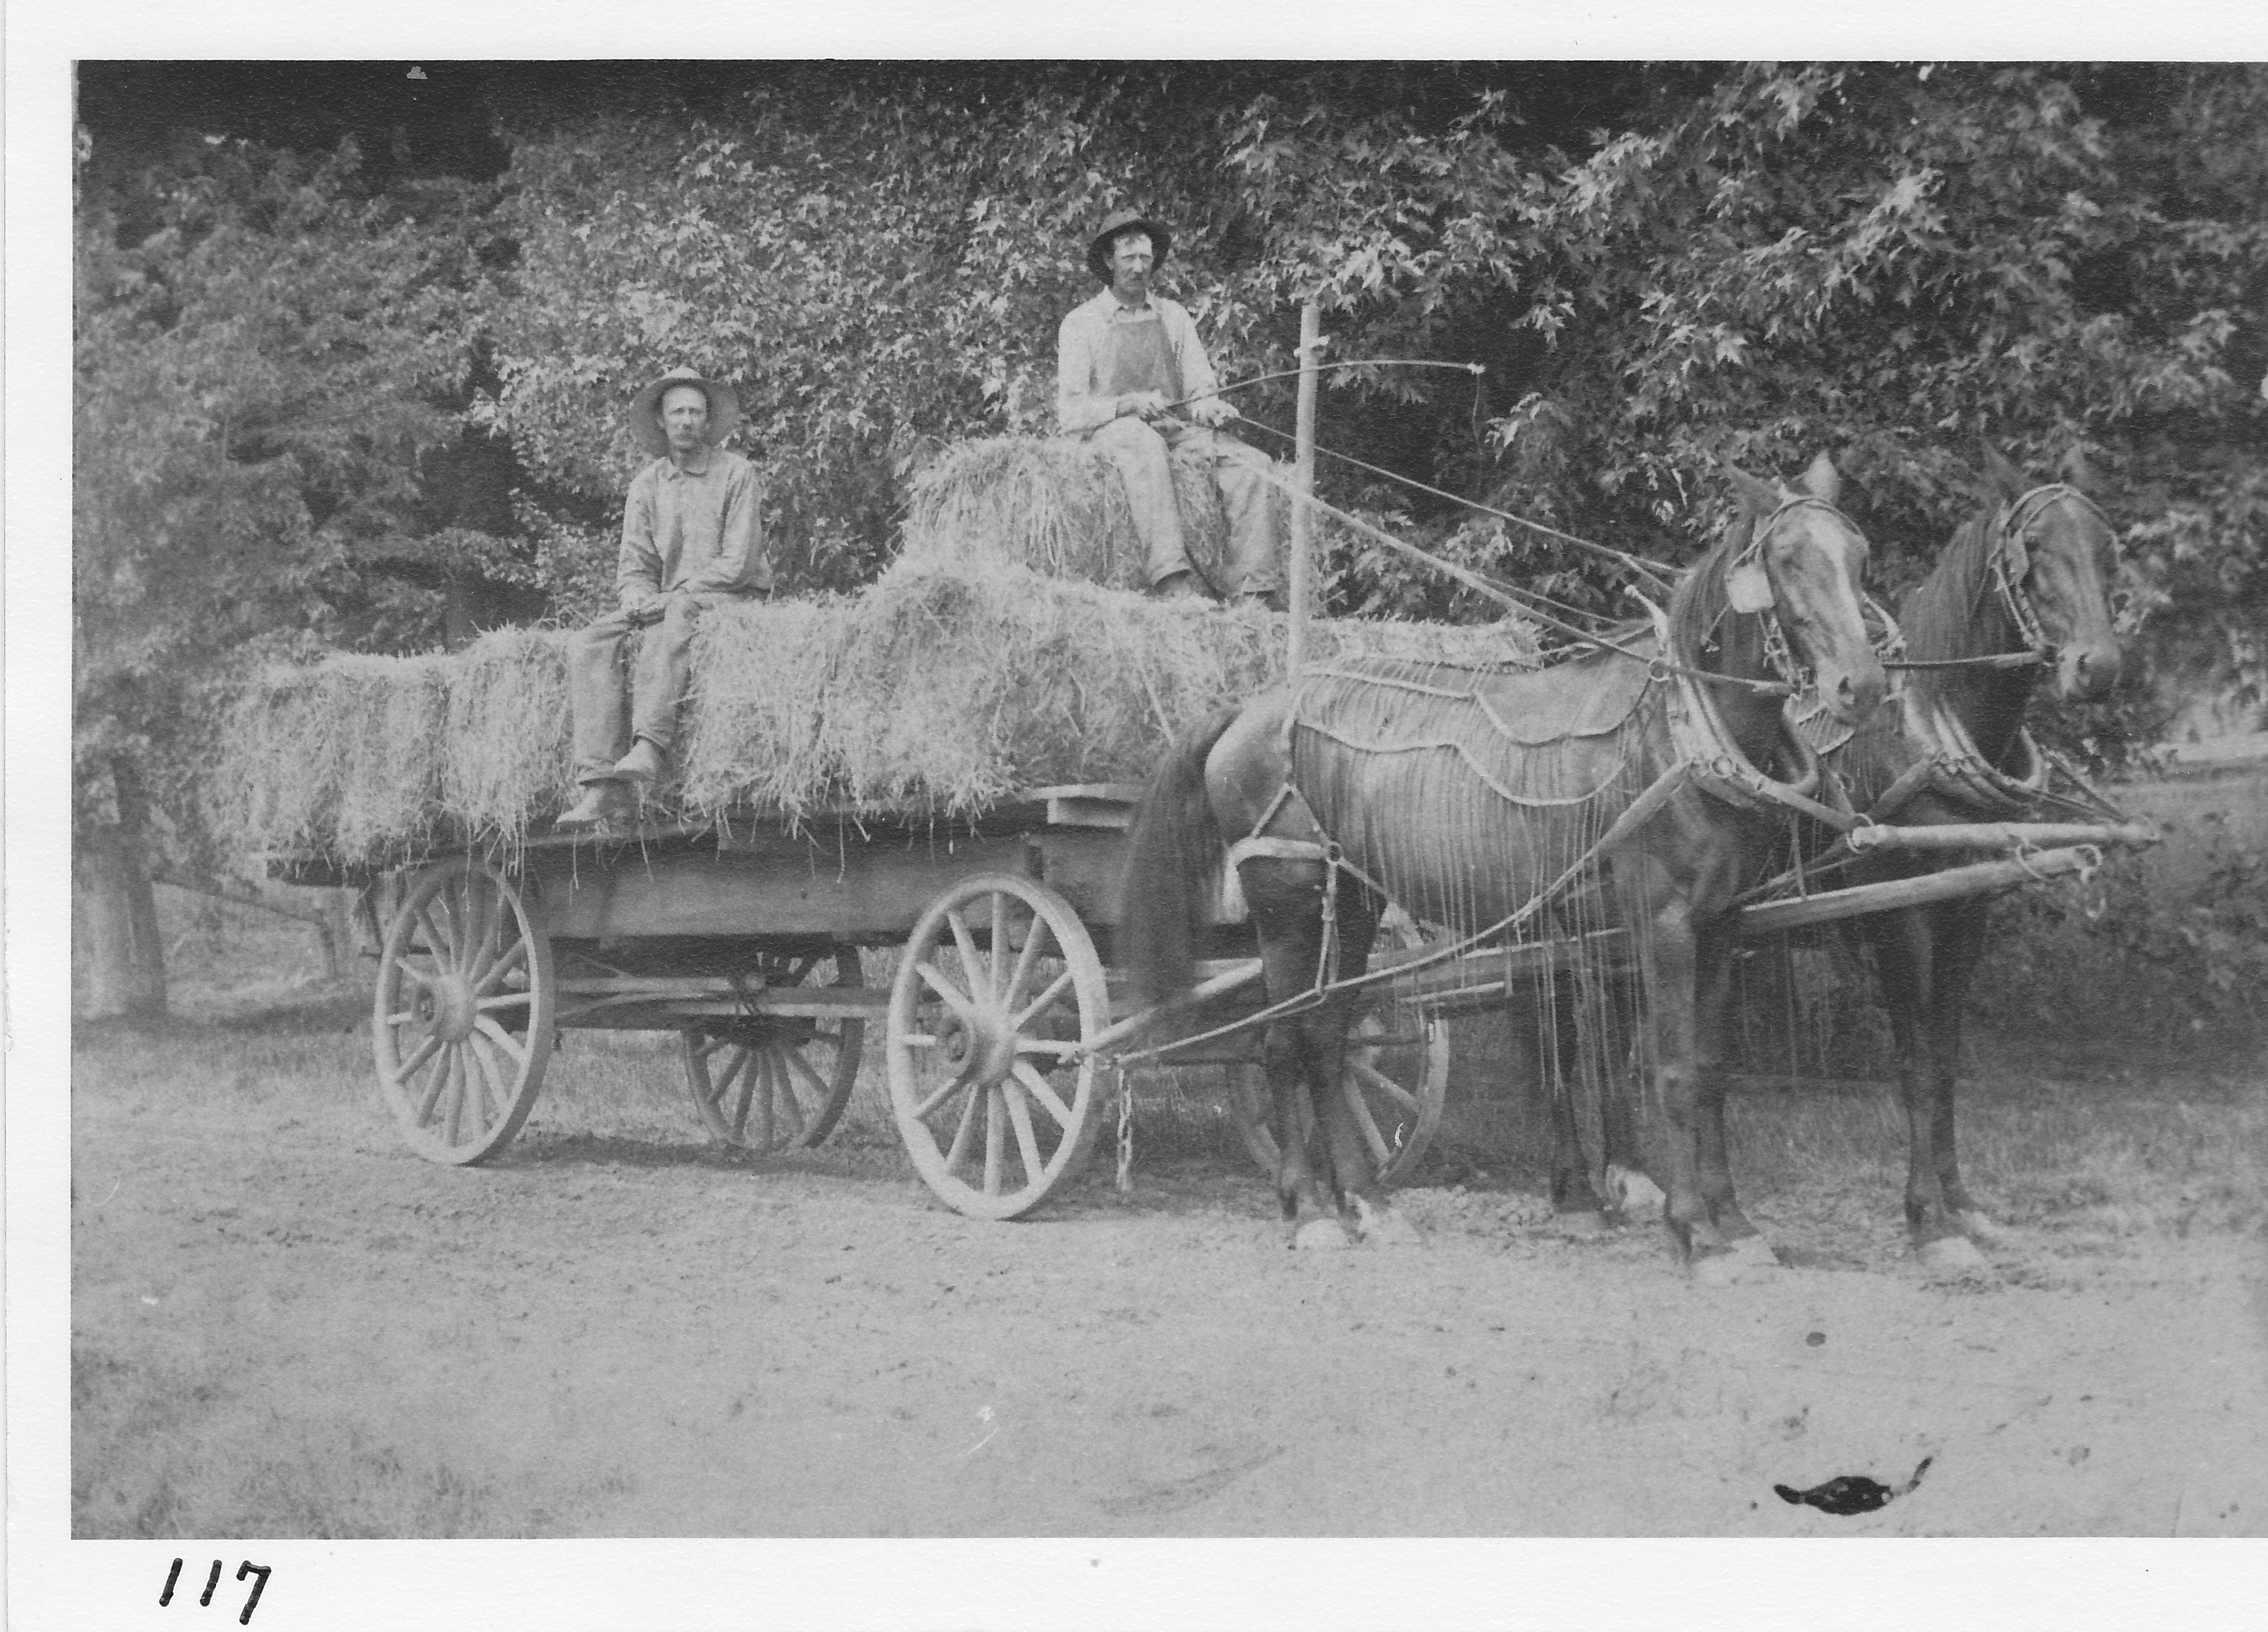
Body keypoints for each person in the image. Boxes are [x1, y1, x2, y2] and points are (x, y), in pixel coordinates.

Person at [555, 367, 771, 828]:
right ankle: (599, 784)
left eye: (696, 411)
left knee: (677, 610)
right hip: (671, 601)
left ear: (709, 422)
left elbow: (737, 563)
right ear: (661, 421)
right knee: (589, 640)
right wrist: (636, 598)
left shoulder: (737, 474)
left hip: (730, 600)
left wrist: (671, 595)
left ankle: (649, 745)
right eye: (678, 412)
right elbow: (634, 566)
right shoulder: (646, 486)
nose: (687, 420)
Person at [1057, 209, 1285, 608]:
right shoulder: (1082, 324)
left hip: (1174, 429)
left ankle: (1253, 592)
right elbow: (1071, 413)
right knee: (1145, 445)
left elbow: (1199, 385)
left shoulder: (1174, 317)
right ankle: (1171, 580)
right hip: (1114, 434)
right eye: (1128, 258)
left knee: (1253, 466)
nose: (1138, 267)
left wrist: (1209, 407)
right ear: (1109, 262)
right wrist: (1128, 404)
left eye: (1146, 259)